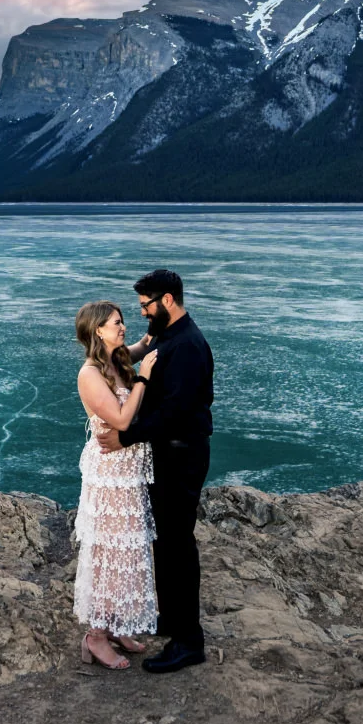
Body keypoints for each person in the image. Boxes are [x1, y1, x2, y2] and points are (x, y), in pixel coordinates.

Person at [99, 268, 213, 674]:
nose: (143, 313)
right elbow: (133, 359)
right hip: (167, 455)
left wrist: (125, 438)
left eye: (146, 305)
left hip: (181, 456)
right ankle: (173, 619)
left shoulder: (187, 346)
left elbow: (174, 413)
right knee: (165, 542)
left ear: (167, 300)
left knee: (178, 546)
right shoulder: (168, 335)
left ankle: (189, 641)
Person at [71, 300, 160, 670]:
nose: (122, 328)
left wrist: (158, 327)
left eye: (123, 321)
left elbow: (142, 345)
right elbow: (123, 420)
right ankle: (95, 636)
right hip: (109, 474)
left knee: (129, 550)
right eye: (116, 323)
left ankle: (119, 623)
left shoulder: (116, 359)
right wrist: (143, 378)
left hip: (128, 471)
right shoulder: (90, 373)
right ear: (98, 331)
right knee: (109, 554)